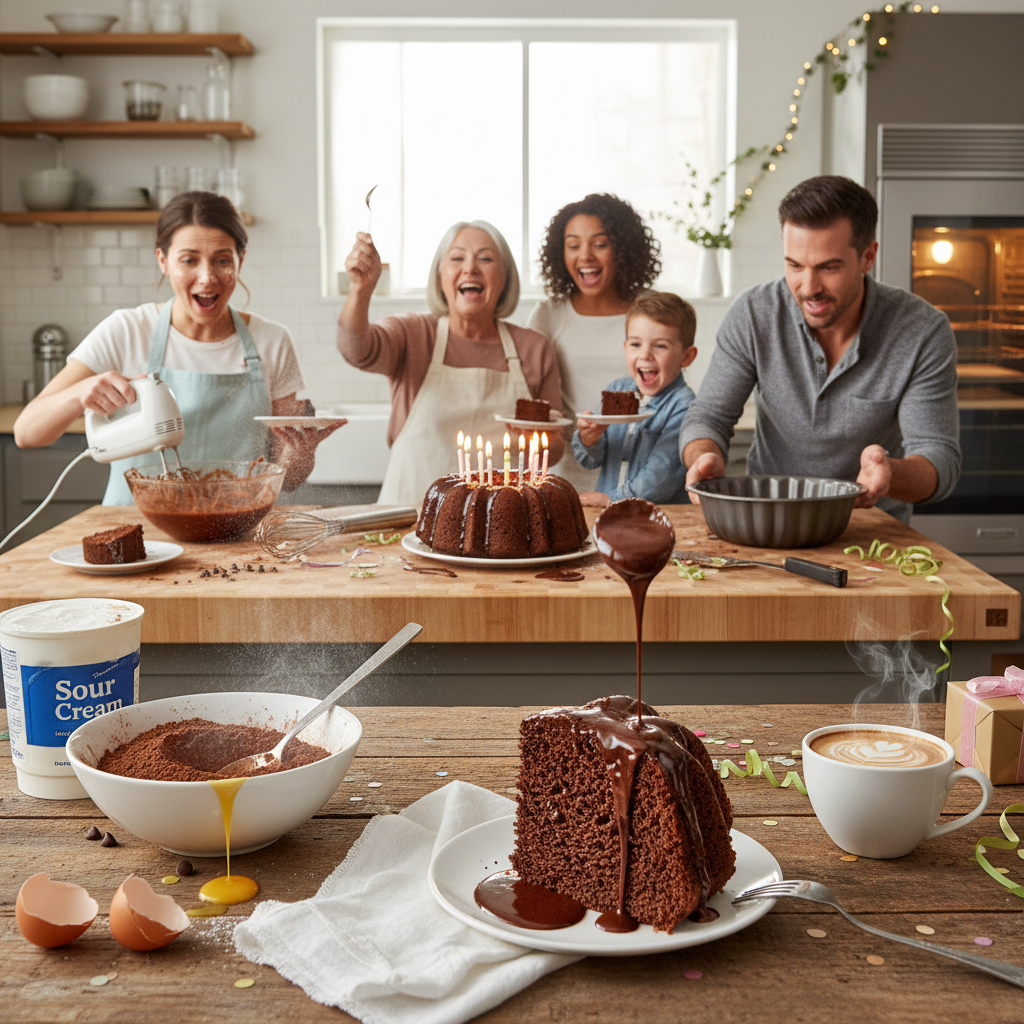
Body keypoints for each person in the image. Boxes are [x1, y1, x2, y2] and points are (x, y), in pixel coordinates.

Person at [14, 191, 340, 505]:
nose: (207, 277)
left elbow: (291, 478)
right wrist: (80, 392)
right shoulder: (126, 330)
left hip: (232, 538)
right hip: (134, 538)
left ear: (240, 260)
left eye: (222, 260)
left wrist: (301, 453)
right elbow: (27, 432)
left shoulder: (272, 341)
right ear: (163, 261)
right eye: (189, 260)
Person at [680, 174, 961, 524]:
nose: (808, 287)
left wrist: (890, 473)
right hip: (771, 523)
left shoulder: (921, 330)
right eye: (794, 265)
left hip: (872, 529)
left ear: (868, 256)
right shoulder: (754, 313)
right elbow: (708, 417)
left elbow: (939, 459)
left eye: (828, 267)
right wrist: (704, 456)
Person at [338, 221, 564, 505]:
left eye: (485, 258)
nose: (470, 268)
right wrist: (360, 290)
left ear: (505, 276)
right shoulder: (413, 334)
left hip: (496, 526)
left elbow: (554, 448)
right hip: (408, 519)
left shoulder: (534, 348)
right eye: (457, 258)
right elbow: (355, 348)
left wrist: (539, 442)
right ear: (439, 277)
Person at [527, 193, 662, 489]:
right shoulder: (549, 314)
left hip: (642, 472)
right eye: (573, 245)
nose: (585, 255)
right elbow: (533, 394)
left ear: (623, 249)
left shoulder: (653, 309)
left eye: (600, 244)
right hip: (570, 475)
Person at [572, 292, 698, 507]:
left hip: (654, 518)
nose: (645, 354)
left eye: (660, 346)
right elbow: (590, 461)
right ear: (625, 348)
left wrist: (611, 499)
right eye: (636, 344)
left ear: (686, 357)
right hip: (612, 517)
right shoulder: (617, 390)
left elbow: (661, 477)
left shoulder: (684, 406)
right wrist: (589, 440)